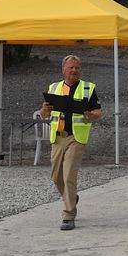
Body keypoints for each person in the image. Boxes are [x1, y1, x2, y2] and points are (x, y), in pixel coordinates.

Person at [40, 55, 102, 231]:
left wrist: (92, 114)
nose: (74, 70)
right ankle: (71, 197)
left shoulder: (88, 88)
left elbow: (98, 112)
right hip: (58, 137)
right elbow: (44, 114)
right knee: (55, 176)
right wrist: (44, 110)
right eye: (71, 67)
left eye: (77, 68)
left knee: (68, 176)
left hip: (76, 138)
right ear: (63, 69)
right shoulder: (53, 88)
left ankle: (68, 214)